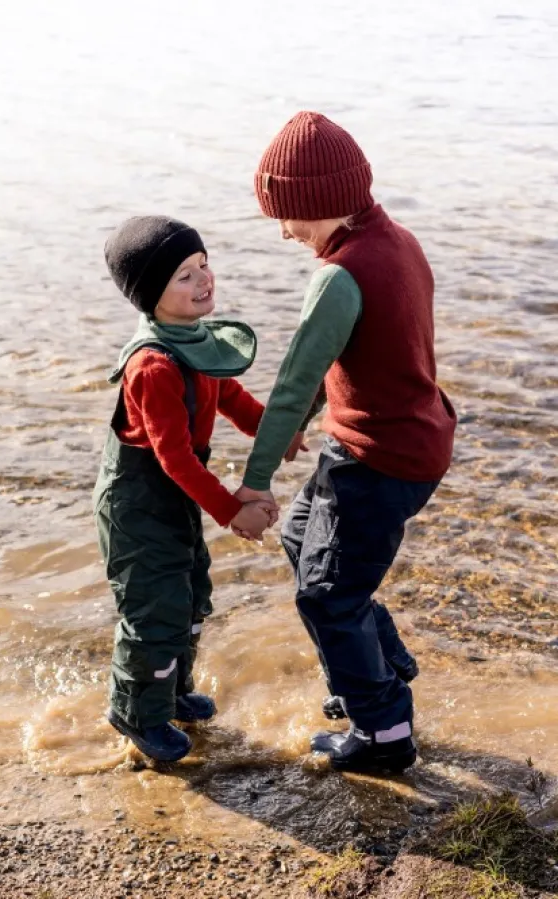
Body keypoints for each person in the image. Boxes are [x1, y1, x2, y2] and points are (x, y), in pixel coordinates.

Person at [236, 112, 457, 774]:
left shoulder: (339, 276)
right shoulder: (400, 240)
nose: (284, 231)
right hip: (401, 438)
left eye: (289, 215)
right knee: (303, 544)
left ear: (321, 202)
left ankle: (383, 731)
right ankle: (379, 663)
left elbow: (294, 377)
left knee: (326, 596)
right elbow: (345, 361)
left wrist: (256, 478)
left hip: (378, 459)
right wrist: (308, 418)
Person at [94, 216, 279, 762]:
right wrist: (232, 511)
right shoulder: (152, 364)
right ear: (152, 293)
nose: (204, 280)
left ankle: (171, 691)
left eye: (204, 265)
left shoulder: (196, 340)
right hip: (137, 502)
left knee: (191, 593)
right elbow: (173, 456)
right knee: (154, 607)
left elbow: (228, 395)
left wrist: (275, 430)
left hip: (175, 494)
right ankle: (134, 712)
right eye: (184, 275)